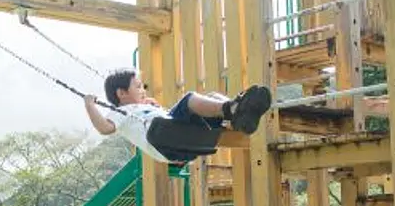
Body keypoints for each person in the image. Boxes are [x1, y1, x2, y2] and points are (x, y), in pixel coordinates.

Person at [83, 69, 272, 164]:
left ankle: (238, 118)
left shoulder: (142, 108)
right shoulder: (120, 112)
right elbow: (104, 128)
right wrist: (90, 105)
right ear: (121, 93)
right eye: (138, 86)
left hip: (178, 139)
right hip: (163, 139)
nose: (143, 90)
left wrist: (157, 108)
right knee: (189, 99)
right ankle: (232, 109)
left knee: (212, 97)